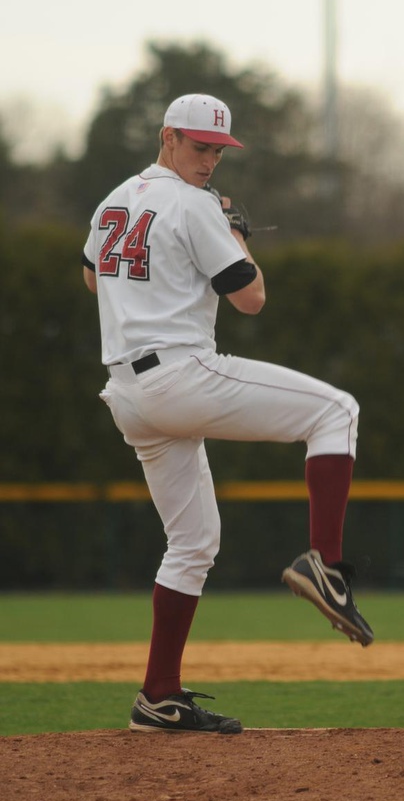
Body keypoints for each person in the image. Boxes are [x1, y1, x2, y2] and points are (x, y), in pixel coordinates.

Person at [81, 93, 374, 735]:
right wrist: (233, 229)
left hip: (129, 396)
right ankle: (326, 564)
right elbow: (251, 299)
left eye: (217, 149)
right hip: (180, 375)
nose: (209, 159)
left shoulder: (115, 199)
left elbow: (92, 279)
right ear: (167, 138)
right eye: (197, 145)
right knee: (337, 411)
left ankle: (158, 696)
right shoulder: (195, 204)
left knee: (192, 544)